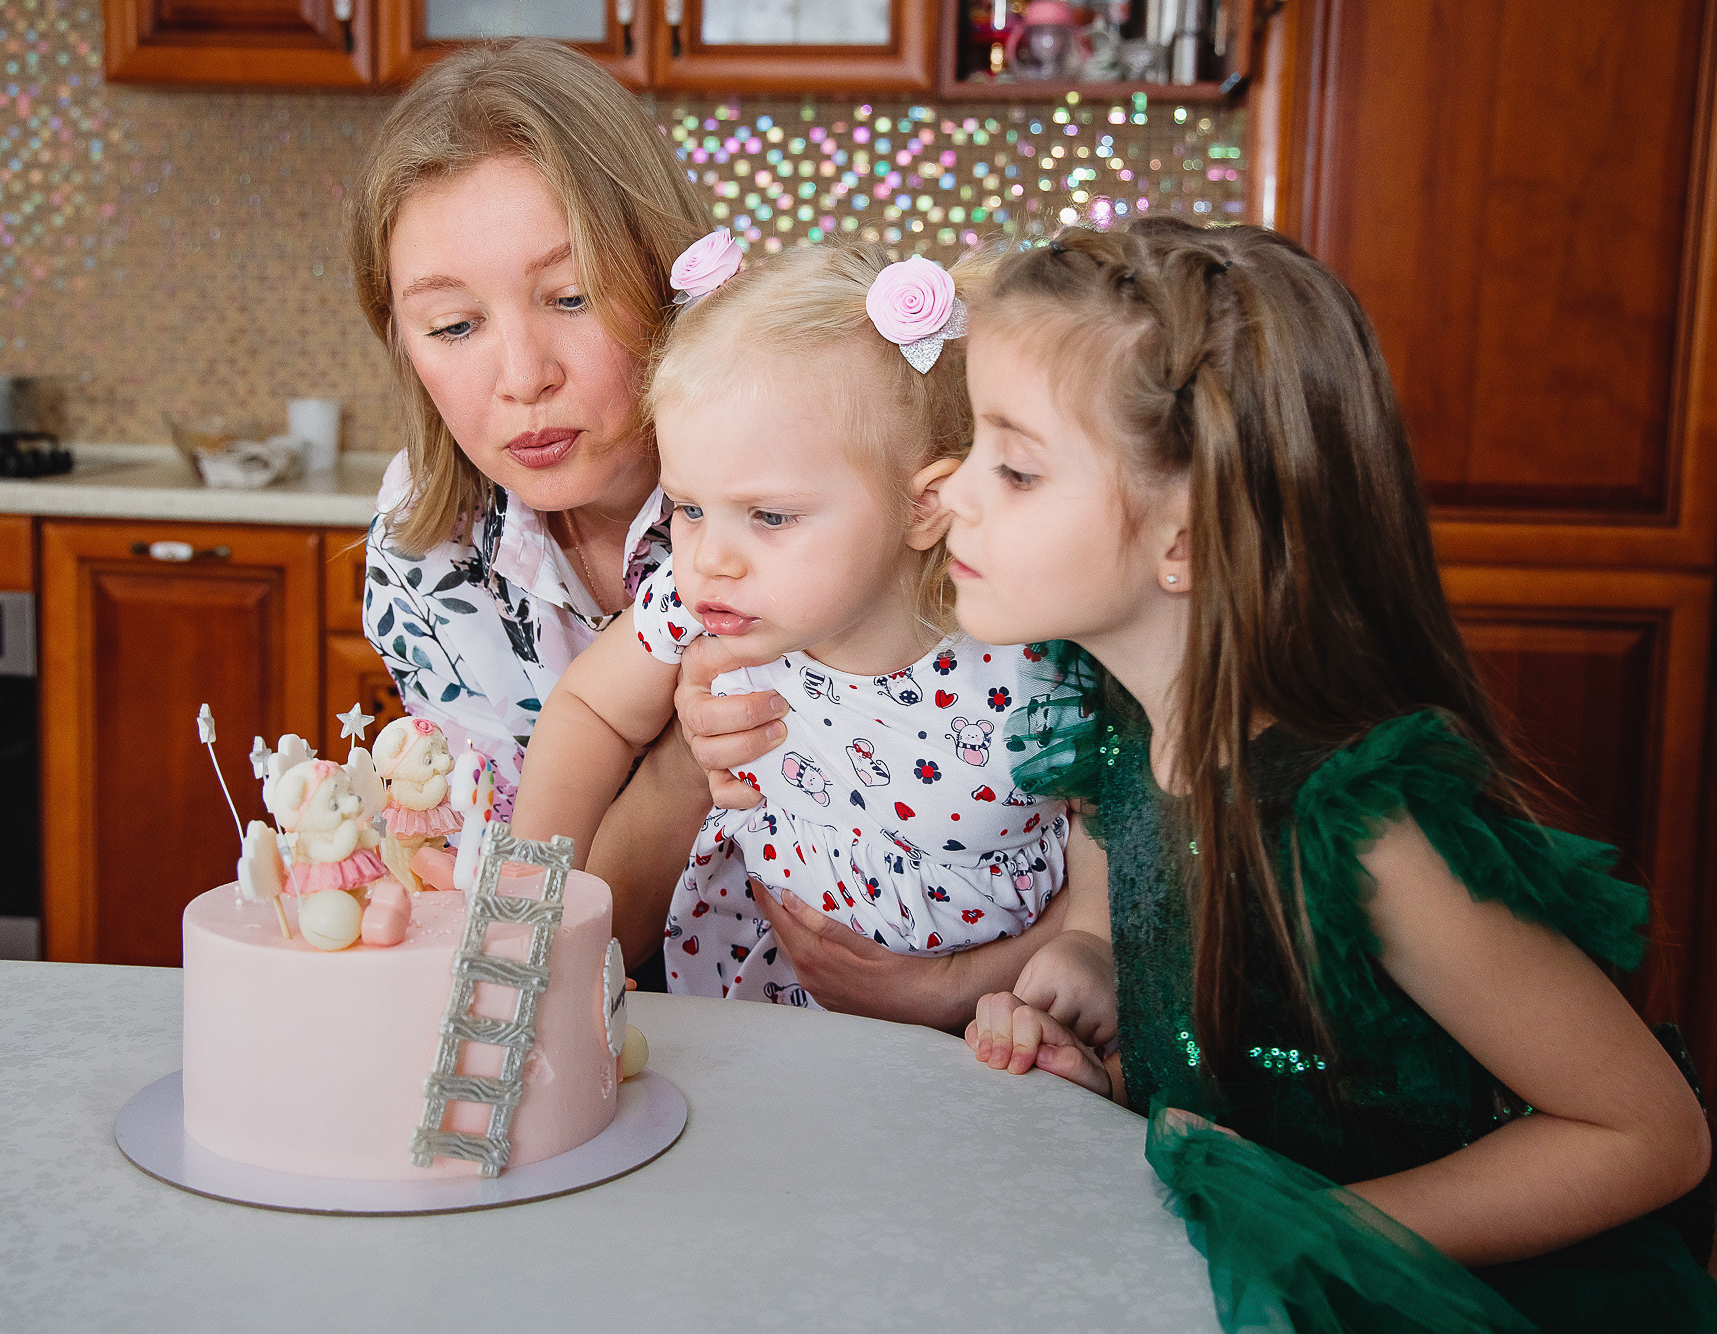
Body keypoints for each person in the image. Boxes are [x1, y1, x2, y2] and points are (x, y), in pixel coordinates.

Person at [950, 218, 1716, 1330]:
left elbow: (1646, 1134)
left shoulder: (1360, 828)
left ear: (1187, 538)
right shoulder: (1116, 723)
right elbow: (1198, 1020)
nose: (953, 490)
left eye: (1015, 468)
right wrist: (1099, 1017)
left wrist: (1300, 1228)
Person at [511, 238, 1087, 1009]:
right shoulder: (699, 608)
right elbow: (590, 709)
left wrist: (1057, 959)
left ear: (926, 506)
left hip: (984, 1044)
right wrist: (529, 901)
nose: (710, 558)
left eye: (771, 516)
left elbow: (1116, 845)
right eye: (688, 508)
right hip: (757, 1028)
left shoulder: (1030, 658)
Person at [348, 39, 716, 958]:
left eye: (573, 296)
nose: (523, 377)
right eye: (453, 326)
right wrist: (681, 770)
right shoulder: (424, 552)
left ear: (664, 274)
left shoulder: (791, 495)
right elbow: (537, 917)